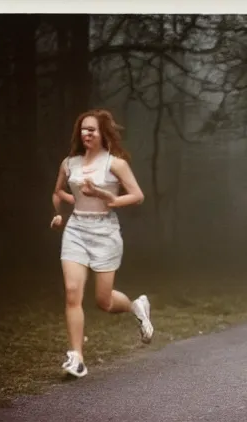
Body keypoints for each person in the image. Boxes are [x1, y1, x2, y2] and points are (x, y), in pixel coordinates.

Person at [50, 108, 153, 378]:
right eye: (83, 129)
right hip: (76, 230)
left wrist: (104, 195)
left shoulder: (114, 164)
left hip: (105, 231)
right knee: (72, 293)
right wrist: (59, 212)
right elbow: (58, 190)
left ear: (102, 133)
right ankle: (77, 358)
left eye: (92, 129)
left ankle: (135, 306)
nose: (86, 133)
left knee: (104, 301)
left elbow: (137, 195)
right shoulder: (69, 164)